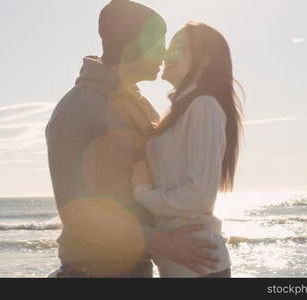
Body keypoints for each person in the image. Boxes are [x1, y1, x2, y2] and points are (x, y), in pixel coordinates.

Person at [45, 1, 220, 278]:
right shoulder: (76, 109)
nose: (164, 52)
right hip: (95, 273)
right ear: (135, 43)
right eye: (158, 42)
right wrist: (164, 242)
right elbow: (76, 214)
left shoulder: (140, 103)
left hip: (138, 268)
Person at [131, 21, 244, 277]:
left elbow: (199, 196)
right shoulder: (178, 110)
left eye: (178, 48)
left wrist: (142, 193)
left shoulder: (203, 105)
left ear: (204, 60)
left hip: (199, 266)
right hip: (184, 265)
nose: (167, 55)